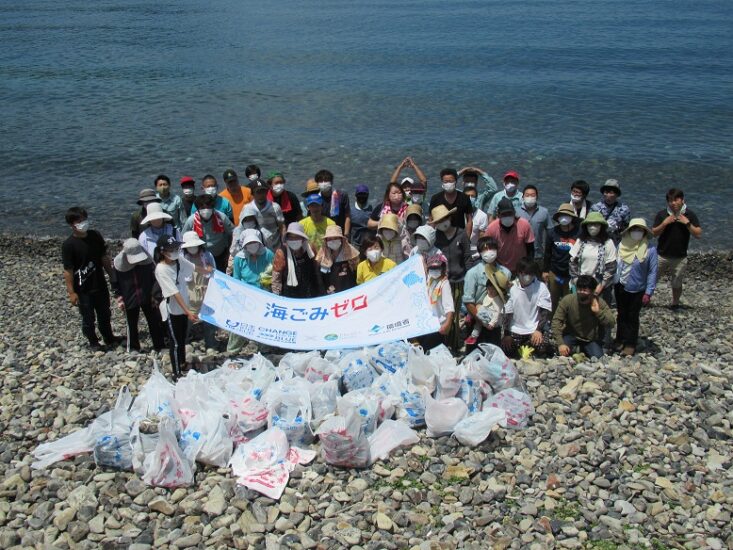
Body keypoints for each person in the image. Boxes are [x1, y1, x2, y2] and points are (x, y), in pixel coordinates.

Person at [62, 207, 122, 350]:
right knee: (88, 318)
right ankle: (93, 342)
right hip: (83, 289)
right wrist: (71, 292)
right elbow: (68, 270)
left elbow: (104, 258)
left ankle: (109, 337)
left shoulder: (95, 236)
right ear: (72, 224)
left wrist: (112, 275)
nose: (83, 223)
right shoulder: (68, 245)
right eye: (79, 221)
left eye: (84, 219)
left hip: (99, 283)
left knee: (105, 313)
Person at [154, 235, 212, 380]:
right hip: (172, 310)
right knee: (174, 342)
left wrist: (208, 271)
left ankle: (183, 362)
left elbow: (194, 268)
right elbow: (174, 293)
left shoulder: (179, 260)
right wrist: (189, 312)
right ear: (162, 251)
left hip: (184, 307)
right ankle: (176, 372)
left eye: (176, 248)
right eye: (171, 249)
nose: (174, 251)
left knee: (182, 338)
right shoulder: (161, 269)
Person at [111, 238, 166, 352]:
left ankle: (159, 345)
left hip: (147, 295)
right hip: (129, 296)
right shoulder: (118, 265)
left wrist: (155, 295)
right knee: (131, 323)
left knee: (154, 321)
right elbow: (115, 283)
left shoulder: (148, 263)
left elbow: (156, 278)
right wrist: (119, 298)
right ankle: (133, 347)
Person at [651, 188, 703, 309]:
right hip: (661, 255)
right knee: (652, 280)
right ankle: (645, 300)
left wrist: (687, 223)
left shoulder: (689, 214)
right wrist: (665, 223)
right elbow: (653, 233)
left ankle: (675, 303)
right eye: (670, 200)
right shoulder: (662, 214)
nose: (673, 203)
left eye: (676, 200)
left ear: (682, 200)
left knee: (677, 283)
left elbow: (698, 234)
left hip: (680, 256)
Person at [614, 219, 658, 356]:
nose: (636, 233)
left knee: (632, 316)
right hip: (620, 284)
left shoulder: (650, 250)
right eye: (634, 229)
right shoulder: (621, 245)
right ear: (629, 231)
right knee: (621, 314)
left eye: (640, 230)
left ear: (644, 232)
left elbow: (652, 272)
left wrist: (648, 292)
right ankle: (620, 339)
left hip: (637, 288)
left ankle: (630, 343)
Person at [228, 230, 275, 353]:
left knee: (263, 323)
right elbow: (236, 278)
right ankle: (233, 350)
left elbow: (274, 273)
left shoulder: (268, 254)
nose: (252, 245)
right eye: (249, 243)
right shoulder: (239, 258)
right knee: (240, 323)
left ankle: (264, 349)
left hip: (264, 293)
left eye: (255, 242)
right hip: (245, 296)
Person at [433, 205, 472, 352]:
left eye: (445, 219)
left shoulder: (461, 234)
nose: (443, 223)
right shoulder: (437, 236)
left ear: (450, 218)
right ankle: (441, 341)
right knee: (441, 312)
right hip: (441, 280)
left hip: (458, 280)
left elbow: (468, 257)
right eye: (439, 221)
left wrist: (468, 278)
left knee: (454, 312)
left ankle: (453, 344)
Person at [462, 237, 512, 350]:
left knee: (493, 355)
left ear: (497, 250)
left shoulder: (505, 273)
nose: (489, 252)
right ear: (480, 253)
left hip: (495, 321)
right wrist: (481, 320)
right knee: (474, 355)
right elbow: (468, 300)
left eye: (492, 248)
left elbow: (508, 299)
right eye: (485, 249)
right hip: (477, 318)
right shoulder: (472, 273)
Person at [553, 274, 615, 359]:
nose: (582, 293)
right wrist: (560, 344)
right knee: (560, 352)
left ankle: (582, 349)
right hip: (571, 335)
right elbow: (556, 321)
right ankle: (577, 348)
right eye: (579, 289)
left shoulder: (599, 302)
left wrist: (598, 312)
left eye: (585, 290)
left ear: (593, 291)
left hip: (590, 339)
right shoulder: (568, 300)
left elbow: (611, 323)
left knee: (598, 357)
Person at [501, 257, 552, 358]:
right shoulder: (512, 287)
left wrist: (538, 330)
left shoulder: (541, 287)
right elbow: (507, 312)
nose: (526, 276)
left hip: (534, 328)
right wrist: (507, 334)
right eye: (523, 273)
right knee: (507, 349)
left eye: (530, 273)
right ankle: (524, 349)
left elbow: (545, 312)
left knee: (543, 347)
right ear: (519, 272)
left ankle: (528, 348)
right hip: (515, 329)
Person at [180, 231, 217, 351]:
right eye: (189, 246)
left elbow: (214, 272)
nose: (192, 248)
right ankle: (183, 342)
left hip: (206, 290)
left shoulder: (208, 256)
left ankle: (210, 343)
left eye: (194, 246)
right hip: (189, 292)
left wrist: (210, 270)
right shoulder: (181, 258)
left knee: (209, 318)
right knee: (188, 319)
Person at [569, 212, 617, 301]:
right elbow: (573, 262)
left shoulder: (608, 242)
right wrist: (576, 281)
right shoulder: (581, 241)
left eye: (596, 224)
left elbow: (611, 267)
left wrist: (601, 285)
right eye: (590, 224)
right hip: (581, 283)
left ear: (601, 226)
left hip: (600, 285)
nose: (592, 227)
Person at [543, 203, 582, 312]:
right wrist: (545, 271)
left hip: (572, 274)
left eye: (567, 215)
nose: (564, 217)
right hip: (555, 272)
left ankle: (569, 324)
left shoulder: (579, 232)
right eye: (561, 215)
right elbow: (547, 252)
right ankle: (552, 322)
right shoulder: (552, 232)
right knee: (553, 300)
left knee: (570, 300)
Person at [183, 194, 234, 272]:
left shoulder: (221, 217)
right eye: (202, 208)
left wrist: (228, 253)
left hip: (220, 254)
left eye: (208, 207)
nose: (206, 210)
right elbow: (183, 238)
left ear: (213, 207)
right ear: (198, 209)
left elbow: (232, 233)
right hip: (200, 256)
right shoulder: (191, 220)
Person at [271, 222, 324, 298]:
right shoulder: (281, 253)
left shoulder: (310, 249)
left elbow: (316, 271)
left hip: (310, 293)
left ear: (302, 239)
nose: (294, 240)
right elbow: (276, 279)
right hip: (290, 296)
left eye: (297, 237)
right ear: (287, 239)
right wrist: (276, 297)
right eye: (291, 238)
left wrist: (321, 292)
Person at [484, 197, 535, 274]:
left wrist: (528, 267)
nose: (507, 216)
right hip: (499, 269)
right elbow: (487, 249)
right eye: (504, 214)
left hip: (520, 269)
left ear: (514, 213)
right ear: (498, 215)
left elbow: (530, 248)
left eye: (510, 213)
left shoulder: (524, 225)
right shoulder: (491, 228)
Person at [418, 254, 454, 351]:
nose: (434, 270)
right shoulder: (430, 280)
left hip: (438, 326)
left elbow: (449, 307)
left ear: (442, 268)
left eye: (437, 268)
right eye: (431, 268)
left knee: (433, 350)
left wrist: (447, 324)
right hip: (428, 324)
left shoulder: (444, 284)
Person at [465, 269, 509, 347]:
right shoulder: (487, 295)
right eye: (489, 289)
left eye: (493, 290)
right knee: (477, 321)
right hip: (485, 315)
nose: (490, 291)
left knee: (479, 321)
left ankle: (474, 335)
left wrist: (492, 323)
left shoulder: (497, 300)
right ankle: (473, 336)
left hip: (491, 319)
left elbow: (497, 312)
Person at [428, 168, 473, 236]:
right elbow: (431, 219)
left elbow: (469, 220)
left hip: (459, 236)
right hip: (440, 236)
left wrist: (467, 238)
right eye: (446, 181)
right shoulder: (435, 198)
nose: (448, 183)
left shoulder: (464, 198)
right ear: (442, 182)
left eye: (451, 181)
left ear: (456, 181)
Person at [316, 225, 360, 294]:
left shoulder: (351, 255)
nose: (333, 241)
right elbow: (321, 278)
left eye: (335, 238)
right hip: (331, 295)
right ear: (326, 241)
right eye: (330, 239)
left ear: (341, 239)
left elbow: (356, 273)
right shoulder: (322, 256)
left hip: (349, 292)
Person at [245, 179, 285, 250]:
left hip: (275, 247)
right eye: (258, 192)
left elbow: (282, 227)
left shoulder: (275, 207)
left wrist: (284, 244)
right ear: (253, 194)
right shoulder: (248, 209)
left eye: (263, 192)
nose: (261, 195)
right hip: (256, 249)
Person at [518, 184, 552, 265]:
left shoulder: (544, 212)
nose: (530, 197)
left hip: (538, 255)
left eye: (532, 195)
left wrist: (549, 251)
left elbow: (550, 232)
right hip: (520, 255)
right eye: (527, 195)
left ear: (537, 197)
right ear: (523, 197)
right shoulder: (516, 212)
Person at [590, 179, 630, 245]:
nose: (608, 195)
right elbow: (590, 224)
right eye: (606, 192)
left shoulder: (624, 209)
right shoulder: (595, 208)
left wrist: (617, 228)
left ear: (617, 194)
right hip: (598, 240)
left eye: (611, 193)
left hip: (616, 241)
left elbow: (626, 228)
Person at [313, 169, 351, 236]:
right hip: (323, 234)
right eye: (321, 181)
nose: (323, 183)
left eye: (326, 180)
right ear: (317, 183)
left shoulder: (342, 195)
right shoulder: (315, 199)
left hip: (339, 233)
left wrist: (346, 234)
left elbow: (347, 216)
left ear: (331, 182)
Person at [461, 180, 489, 263]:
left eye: (472, 196)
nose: (470, 198)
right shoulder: (456, 213)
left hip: (474, 253)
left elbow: (482, 237)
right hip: (458, 250)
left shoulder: (482, 216)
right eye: (467, 196)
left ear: (476, 198)